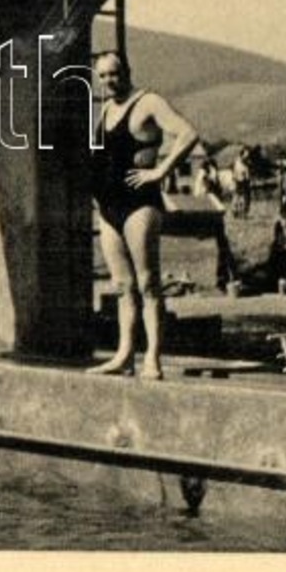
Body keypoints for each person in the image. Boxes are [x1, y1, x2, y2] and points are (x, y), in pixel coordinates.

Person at [86, 51, 199, 380]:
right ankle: (124, 355)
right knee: (122, 286)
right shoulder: (105, 108)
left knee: (148, 283)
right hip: (109, 209)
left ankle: (152, 358)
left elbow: (189, 134)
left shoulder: (148, 102)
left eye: (114, 73)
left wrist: (161, 170)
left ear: (127, 71)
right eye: (103, 75)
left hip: (139, 205)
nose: (109, 80)